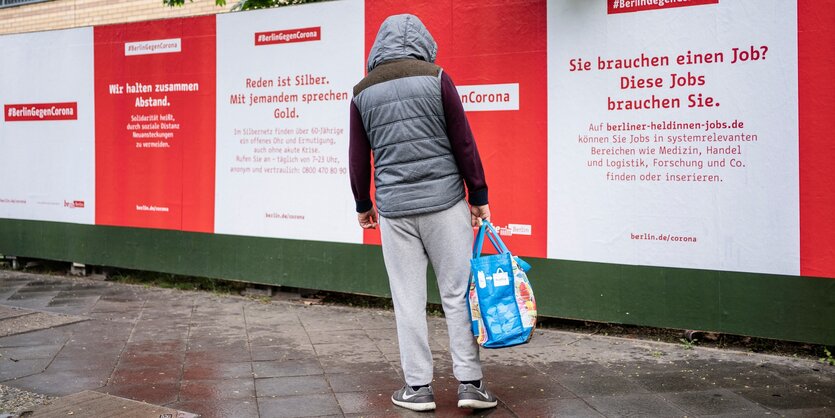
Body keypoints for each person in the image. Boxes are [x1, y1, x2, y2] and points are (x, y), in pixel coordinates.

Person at [348, 13, 497, 412]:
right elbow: (463, 140)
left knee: (408, 298)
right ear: (424, 42)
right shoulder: (436, 77)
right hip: (445, 203)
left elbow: (358, 158)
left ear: (379, 45)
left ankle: (417, 389)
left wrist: (363, 203)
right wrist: (478, 194)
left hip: (395, 211)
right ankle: (470, 385)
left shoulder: (363, 91)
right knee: (457, 294)